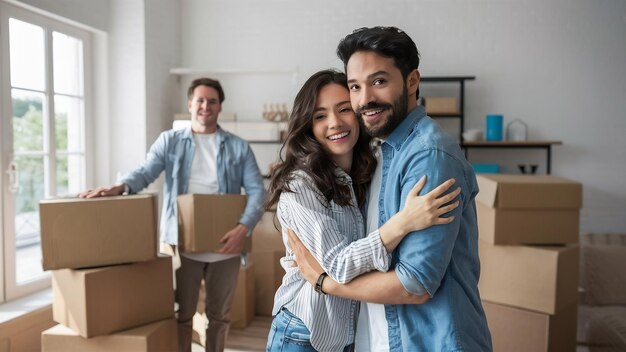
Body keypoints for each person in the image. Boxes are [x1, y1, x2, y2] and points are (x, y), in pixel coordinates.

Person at [288, 27, 493, 351]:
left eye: (379, 81)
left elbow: (415, 284)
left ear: (412, 81)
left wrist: (325, 282)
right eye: (355, 86)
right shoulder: (380, 152)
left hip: (430, 342)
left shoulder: (428, 157)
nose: (365, 98)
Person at [265, 69, 461, 351]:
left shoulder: (366, 173)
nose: (334, 123)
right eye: (320, 116)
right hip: (302, 334)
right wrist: (404, 222)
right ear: (307, 126)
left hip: (347, 337)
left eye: (344, 109)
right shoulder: (300, 187)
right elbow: (341, 266)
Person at [79, 77, 265, 352]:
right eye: (200, 100)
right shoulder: (170, 141)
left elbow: (257, 192)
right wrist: (119, 187)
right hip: (182, 244)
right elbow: (146, 171)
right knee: (182, 315)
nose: (205, 106)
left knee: (219, 317)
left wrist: (243, 228)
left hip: (227, 245)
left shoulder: (238, 147)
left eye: (212, 101)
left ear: (219, 107)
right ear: (190, 104)